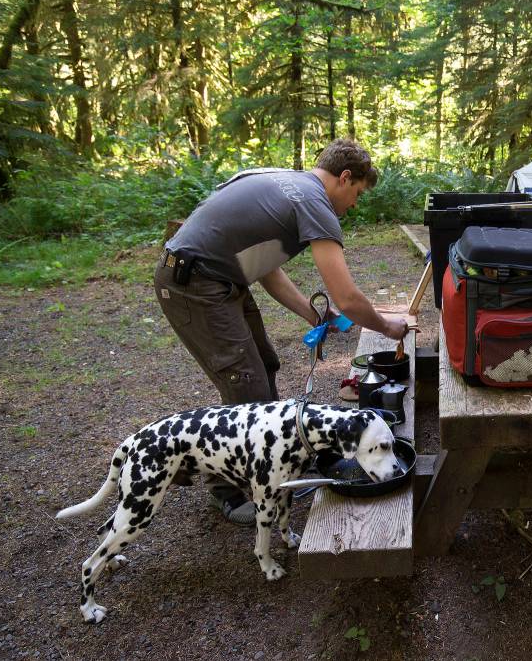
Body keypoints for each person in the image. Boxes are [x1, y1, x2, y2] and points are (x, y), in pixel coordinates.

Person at [154, 138, 408, 525]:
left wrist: (313, 315)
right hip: (195, 285)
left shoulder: (285, 183)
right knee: (247, 384)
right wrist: (389, 327)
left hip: (220, 280)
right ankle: (229, 492)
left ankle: (272, 462)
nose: (354, 203)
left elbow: (266, 268)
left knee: (266, 364)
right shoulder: (316, 203)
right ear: (343, 178)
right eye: (356, 193)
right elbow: (349, 298)